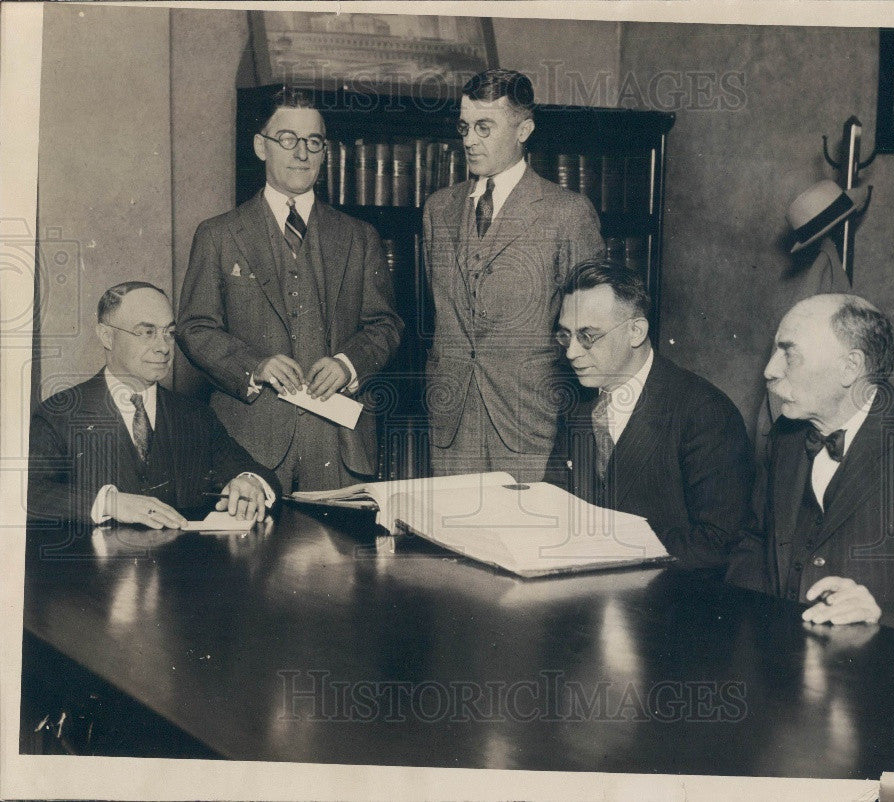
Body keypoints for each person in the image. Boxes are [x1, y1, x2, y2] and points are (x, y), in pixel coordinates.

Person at [178, 88, 402, 492]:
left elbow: (385, 325)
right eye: (288, 139)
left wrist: (348, 364)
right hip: (248, 446)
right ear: (260, 147)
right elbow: (195, 328)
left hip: (338, 444)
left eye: (313, 142)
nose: (302, 153)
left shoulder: (359, 237)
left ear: (324, 151)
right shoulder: (218, 234)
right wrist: (255, 365)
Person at [727, 294, 894, 641]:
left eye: (789, 353)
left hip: (881, 669)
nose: (770, 370)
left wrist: (878, 618)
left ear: (851, 367)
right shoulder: (785, 434)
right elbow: (754, 544)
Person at [422, 69, 604, 481]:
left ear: (524, 129)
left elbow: (591, 329)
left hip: (531, 422)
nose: (469, 140)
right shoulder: (438, 209)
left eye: (484, 127)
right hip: (452, 423)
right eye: (464, 127)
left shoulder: (566, 213)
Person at [545, 259, 754, 569]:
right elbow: (557, 505)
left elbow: (717, 542)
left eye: (588, 336)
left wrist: (606, 547)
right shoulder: (578, 403)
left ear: (636, 331)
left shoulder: (704, 413)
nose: (572, 352)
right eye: (566, 336)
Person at [28, 282, 277, 527]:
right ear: (107, 336)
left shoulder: (195, 416)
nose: (163, 347)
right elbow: (27, 494)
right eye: (147, 332)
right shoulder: (59, 413)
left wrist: (250, 482)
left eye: (169, 333)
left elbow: (257, 472)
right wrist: (109, 503)